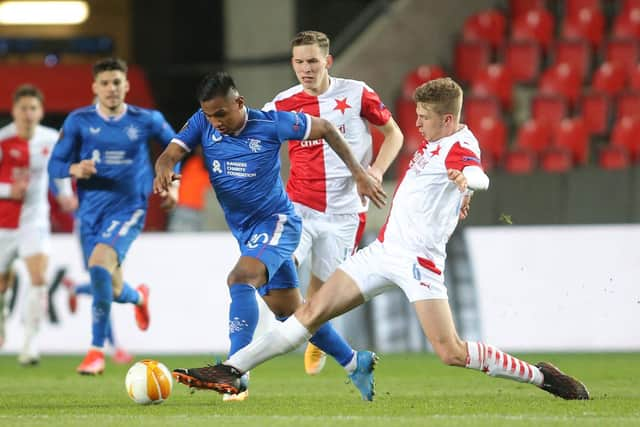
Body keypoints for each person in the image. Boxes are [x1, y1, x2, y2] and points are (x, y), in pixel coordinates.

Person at [174, 78, 591, 401]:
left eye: (425, 118)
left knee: (452, 353)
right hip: (382, 252)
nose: (418, 124)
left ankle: (541, 376)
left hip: (418, 263)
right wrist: (458, 193)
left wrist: (469, 182)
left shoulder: (459, 145)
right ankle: (231, 368)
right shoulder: (433, 142)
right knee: (310, 312)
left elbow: (476, 172)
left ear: (447, 119)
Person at [154, 71, 387, 401]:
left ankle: (235, 370)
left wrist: (359, 173)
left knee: (240, 278)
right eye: (210, 115)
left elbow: (326, 128)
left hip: (278, 223)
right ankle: (354, 361)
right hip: (247, 232)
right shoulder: (203, 122)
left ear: (240, 102)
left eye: (222, 114)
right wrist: (164, 165)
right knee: (294, 315)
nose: (216, 122)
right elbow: (173, 152)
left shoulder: (271, 124)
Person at [263, 30, 404, 375]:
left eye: (312, 61)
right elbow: (252, 135)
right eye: (299, 62)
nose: (305, 69)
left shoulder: (356, 93)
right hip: (298, 207)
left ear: (328, 61)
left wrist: (375, 171)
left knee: (323, 297)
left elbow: (394, 134)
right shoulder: (282, 103)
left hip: (345, 213)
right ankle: (250, 359)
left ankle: (314, 333)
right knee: (274, 271)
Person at [47, 57, 177, 375]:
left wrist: (174, 184)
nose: (111, 88)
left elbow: (177, 147)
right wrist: (75, 169)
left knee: (98, 265)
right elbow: (55, 165)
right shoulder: (78, 121)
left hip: (129, 208)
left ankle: (95, 352)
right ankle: (137, 296)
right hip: (90, 213)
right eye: (104, 83)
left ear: (126, 85)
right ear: (95, 87)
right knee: (108, 282)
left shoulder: (146, 119)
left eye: (117, 82)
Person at [0, 85, 76, 365]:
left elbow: (59, 171)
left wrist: (66, 195)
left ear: (41, 111)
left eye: (33, 108)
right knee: (2, 284)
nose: (28, 114)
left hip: (35, 221)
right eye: (23, 108)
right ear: (14, 111)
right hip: (3, 224)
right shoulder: (3, 140)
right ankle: (3, 319)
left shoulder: (51, 139)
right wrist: (9, 191)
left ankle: (30, 344)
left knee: (39, 279)